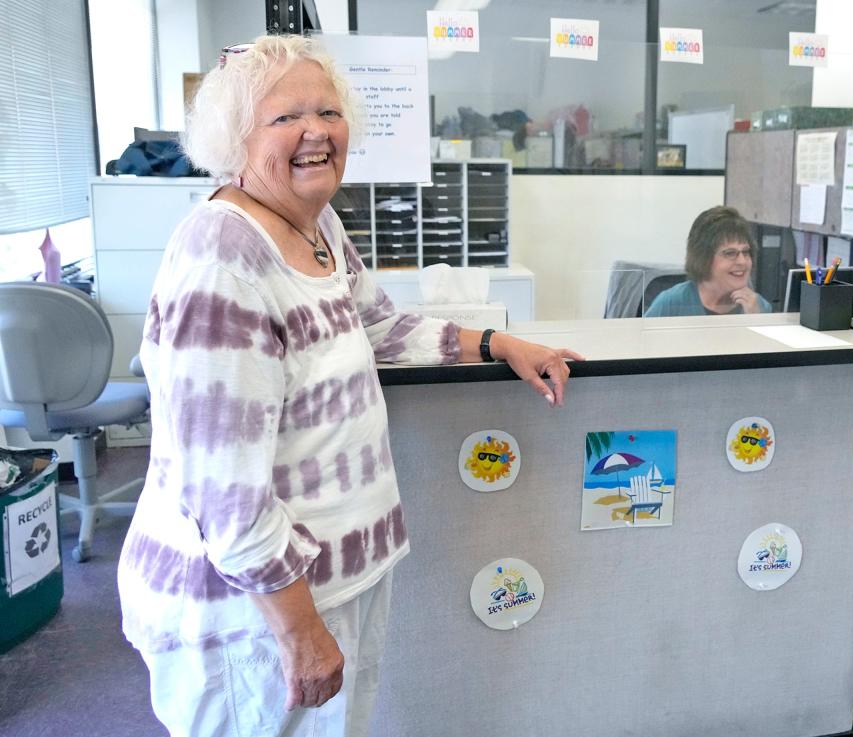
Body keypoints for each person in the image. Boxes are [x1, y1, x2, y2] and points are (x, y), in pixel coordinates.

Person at [117, 34, 582, 737]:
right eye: (285, 118)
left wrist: (495, 342)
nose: (316, 132)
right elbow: (225, 496)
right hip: (254, 614)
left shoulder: (316, 224)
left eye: (328, 112)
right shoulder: (221, 257)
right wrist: (299, 630)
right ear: (234, 139)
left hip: (337, 579)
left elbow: (383, 327)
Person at [644, 206, 772, 317]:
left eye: (745, 252)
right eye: (730, 253)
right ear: (704, 258)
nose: (742, 261)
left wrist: (757, 321)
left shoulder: (758, 307)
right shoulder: (671, 304)